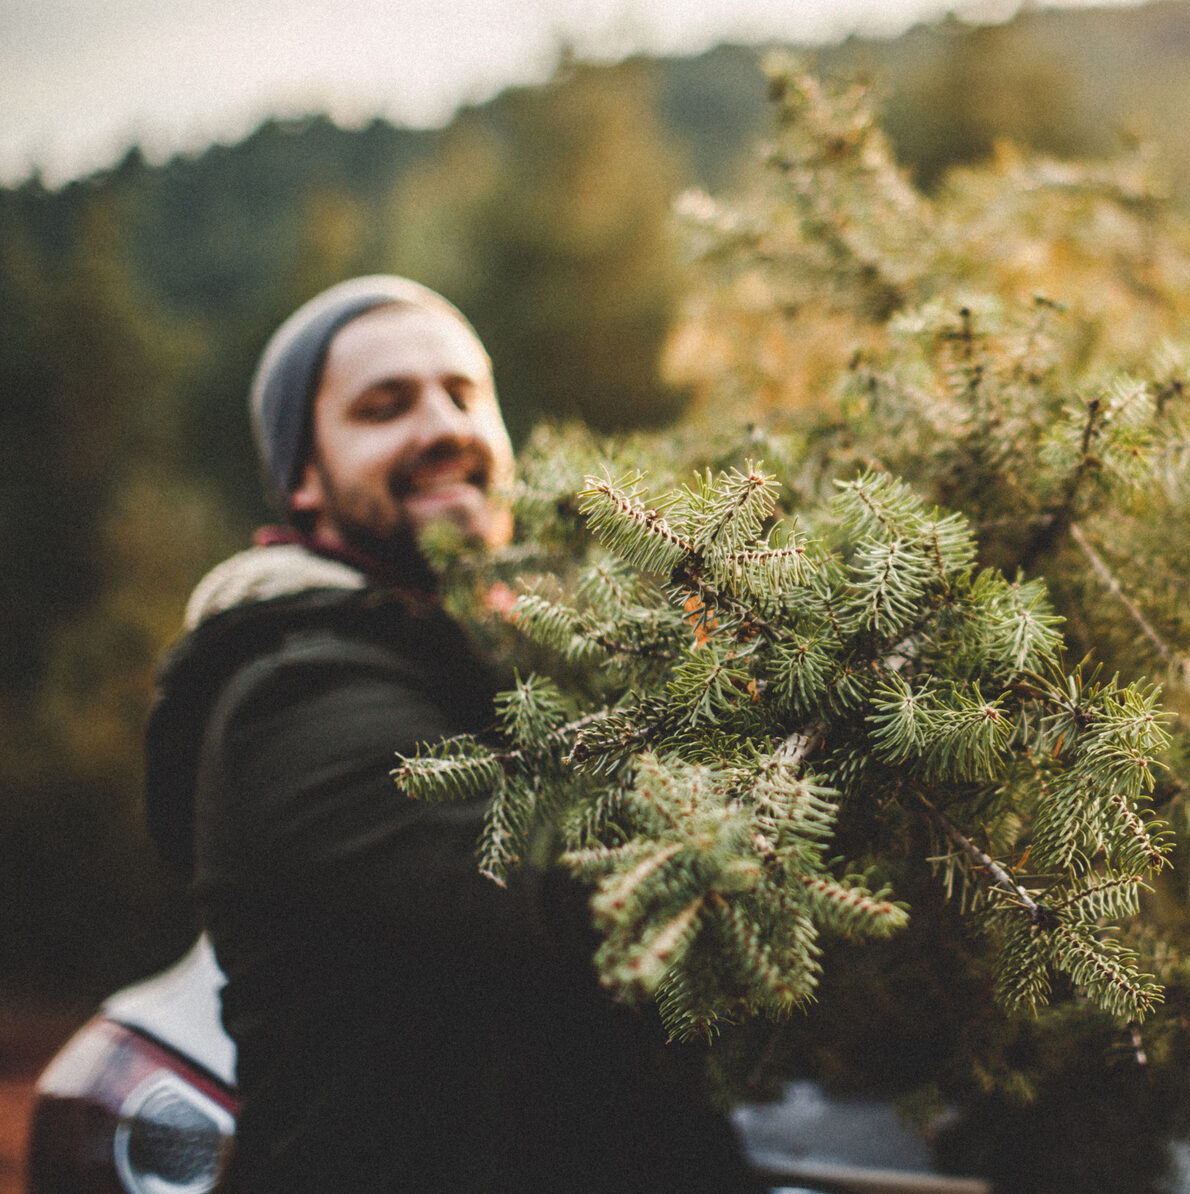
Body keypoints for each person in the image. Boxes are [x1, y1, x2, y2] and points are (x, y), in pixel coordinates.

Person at [141, 276, 764, 1193]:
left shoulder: (514, 662)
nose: (443, 428)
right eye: (383, 406)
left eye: (464, 394)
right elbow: (567, 889)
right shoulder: (291, 694)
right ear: (302, 480)